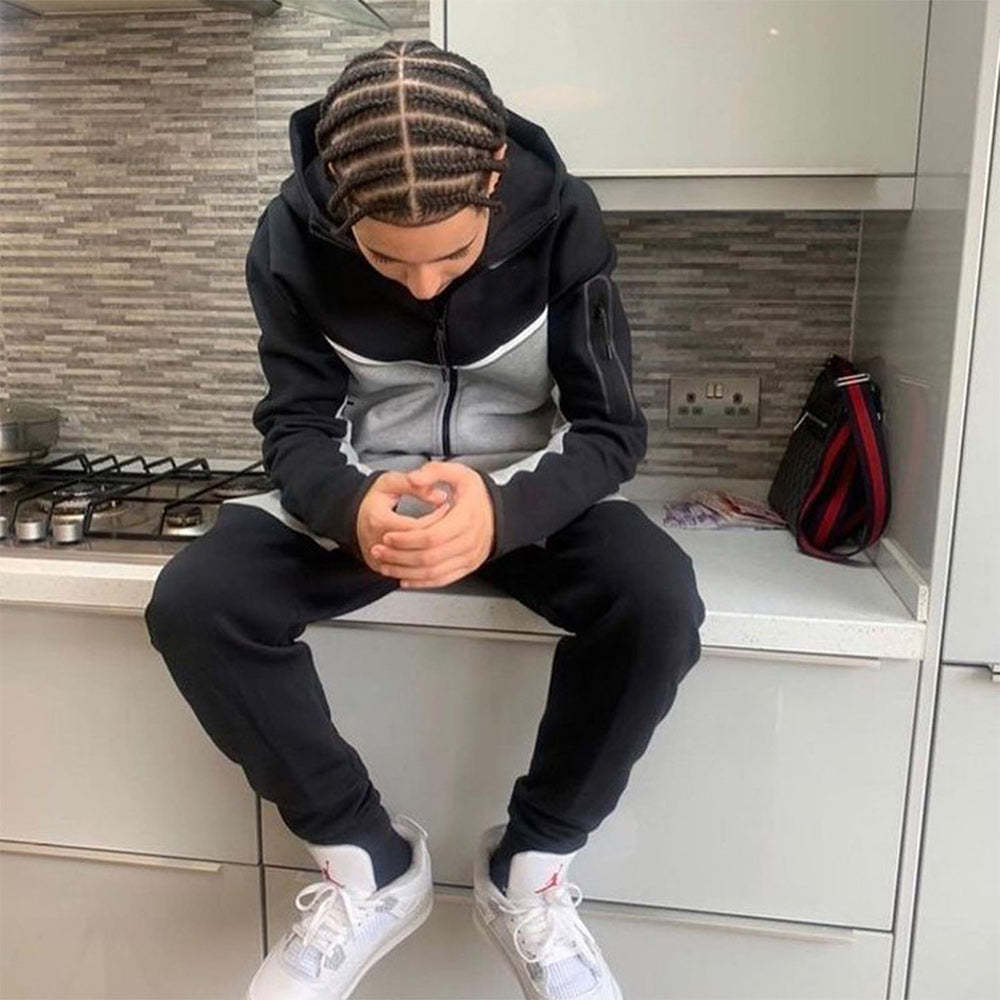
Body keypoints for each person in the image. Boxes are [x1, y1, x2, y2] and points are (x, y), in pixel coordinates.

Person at [143, 37, 705, 1000]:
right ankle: (367, 858)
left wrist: (502, 509)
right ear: (337, 198)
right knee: (196, 602)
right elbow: (294, 428)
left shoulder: (565, 219)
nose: (424, 286)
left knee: (657, 600)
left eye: (453, 253)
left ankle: (532, 871)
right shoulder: (286, 237)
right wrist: (352, 504)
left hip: (525, 492)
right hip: (369, 496)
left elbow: (611, 430)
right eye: (385, 259)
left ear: (492, 178)